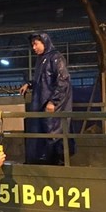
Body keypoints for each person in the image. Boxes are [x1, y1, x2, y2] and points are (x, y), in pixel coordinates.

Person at [19, 31, 73, 165]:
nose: (34, 48)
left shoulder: (55, 58)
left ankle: (57, 164)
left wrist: (53, 101)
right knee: (46, 135)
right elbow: (43, 79)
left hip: (51, 106)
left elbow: (63, 80)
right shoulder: (42, 59)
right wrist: (30, 84)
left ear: (44, 42)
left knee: (54, 135)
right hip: (43, 104)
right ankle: (47, 163)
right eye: (32, 45)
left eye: (36, 44)